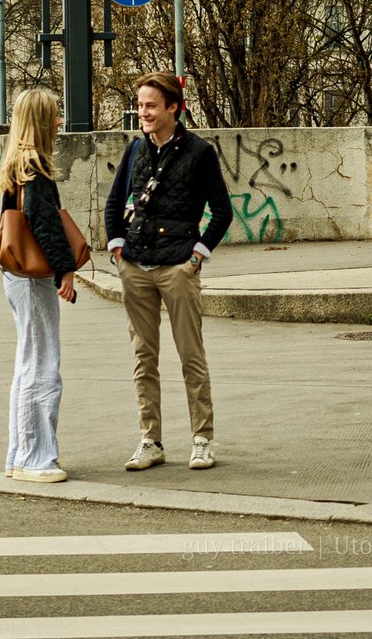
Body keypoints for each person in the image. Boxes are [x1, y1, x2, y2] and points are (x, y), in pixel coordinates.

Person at [104, 72, 232, 472]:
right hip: (136, 265)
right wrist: (117, 246)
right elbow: (113, 202)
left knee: (190, 355)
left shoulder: (199, 152)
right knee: (144, 357)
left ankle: (202, 439)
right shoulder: (135, 150)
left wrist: (197, 255)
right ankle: (150, 440)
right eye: (140, 105)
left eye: (151, 106)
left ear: (173, 108)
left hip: (177, 265)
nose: (143, 112)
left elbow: (223, 211)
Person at [0, 87, 77, 484]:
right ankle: (37, 458)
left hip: (15, 275)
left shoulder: (14, 162)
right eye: (55, 116)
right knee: (43, 366)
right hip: (32, 277)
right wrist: (65, 269)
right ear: (41, 120)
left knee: (27, 363)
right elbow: (45, 224)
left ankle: (19, 454)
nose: (60, 122)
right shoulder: (35, 166)